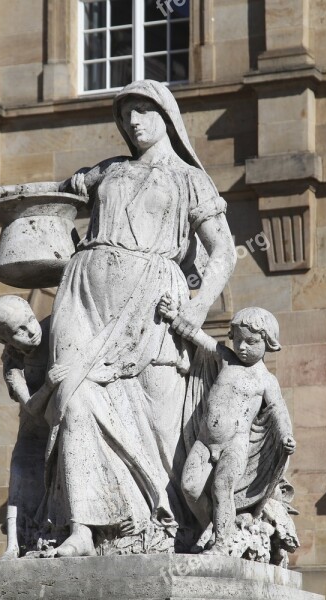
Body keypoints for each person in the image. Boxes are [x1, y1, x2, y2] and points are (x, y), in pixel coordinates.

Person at [40, 80, 236, 557]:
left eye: (144, 111)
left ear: (167, 116)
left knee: (159, 418)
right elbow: (50, 198)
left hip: (152, 305)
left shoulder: (189, 178)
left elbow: (223, 251)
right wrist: (6, 198)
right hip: (83, 295)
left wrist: (194, 309)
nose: (133, 122)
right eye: (125, 113)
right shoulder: (107, 172)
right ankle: (83, 527)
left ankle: (170, 523)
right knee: (72, 392)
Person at [157, 295, 296, 555]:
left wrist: (287, 435)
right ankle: (213, 525)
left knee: (222, 488)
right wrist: (174, 317)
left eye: (251, 342)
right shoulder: (226, 359)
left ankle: (222, 543)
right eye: (238, 339)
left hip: (235, 444)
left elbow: (278, 409)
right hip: (205, 440)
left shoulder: (266, 380)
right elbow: (199, 338)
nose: (242, 347)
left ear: (268, 343)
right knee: (189, 487)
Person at [0, 296, 69, 558]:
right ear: (5, 340)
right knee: (19, 472)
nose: (31, 331)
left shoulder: (57, 327)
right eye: (19, 331)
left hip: (63, 427)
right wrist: (49, 384)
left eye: (30, 321)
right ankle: (14, 545)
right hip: (33, 435)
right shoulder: (13, 364)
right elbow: (31, 407)